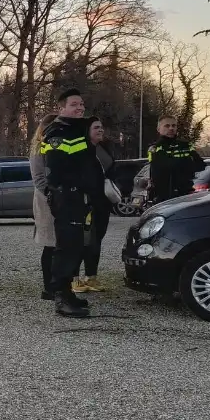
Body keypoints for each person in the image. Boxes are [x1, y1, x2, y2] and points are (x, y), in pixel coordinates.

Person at [40, 88, 101, 317]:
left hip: (79, 197)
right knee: (66, 248)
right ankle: (61, 298)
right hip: (67, 197)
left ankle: (68, 293)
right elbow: (55, 172)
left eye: (81, 104)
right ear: (62, 108)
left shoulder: (77, 131)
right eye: (74, 104)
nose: (80, 108)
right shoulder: (57, 133)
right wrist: (73, 190)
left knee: (76, 247)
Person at [74, 118, 114, 294]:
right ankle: (74, 278)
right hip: (86, 203)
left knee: (96, 241)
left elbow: (112, 169)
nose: (100, 130)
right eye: (96, 127)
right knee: (83, 242)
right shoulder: (81, 149)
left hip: (102, 203)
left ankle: (91, 277)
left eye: (101, 127)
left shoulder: (104, 148)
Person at [30, 114, 61, 301]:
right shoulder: (38, 148)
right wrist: (52, 195)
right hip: (46, 200)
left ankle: (59, 283)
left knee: (60, 244)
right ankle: (48, 286)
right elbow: (38, 178)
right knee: (50, 243)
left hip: (62, 197)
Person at [147, 116, 205, 202]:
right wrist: (186, 163)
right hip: (163, 196)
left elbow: (201, 165)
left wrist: (178, 164)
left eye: (174, 126)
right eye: (167, 126)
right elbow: (162, 167)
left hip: (185, 193)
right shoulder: (155, 148)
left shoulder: (186, 145)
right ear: (158, 129)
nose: (171, 128)